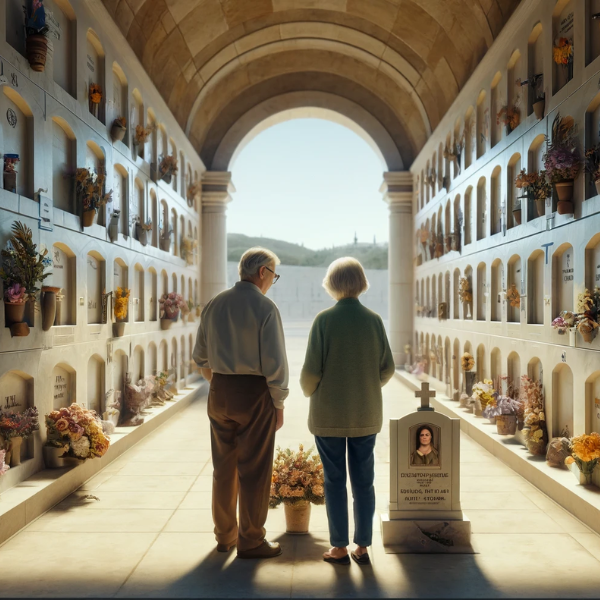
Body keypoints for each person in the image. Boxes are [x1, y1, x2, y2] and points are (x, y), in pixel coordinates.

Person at [193, 247, 289, 559]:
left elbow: (201, 357)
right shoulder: (265, 308)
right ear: (263, 272)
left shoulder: (214, 304)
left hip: (219, 389)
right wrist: (279, 403)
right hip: (254, 394)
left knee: (224, 469)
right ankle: (251, 540)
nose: (272, 282)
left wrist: (220, 384)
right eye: (273, 276)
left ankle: (224, 536)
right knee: (255, 470)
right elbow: (275, 365)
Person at [300, 257, 395, 566]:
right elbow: (388, 368)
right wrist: (367, 387)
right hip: (365, 414)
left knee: (334, 481)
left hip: (328, 415)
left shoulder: (324, 321)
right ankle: (363, 547)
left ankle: (339, 547)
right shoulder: (374, 320)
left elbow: (311, 371)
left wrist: (310, 391)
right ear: (361, 282)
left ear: (332, 282)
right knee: (364, 482)